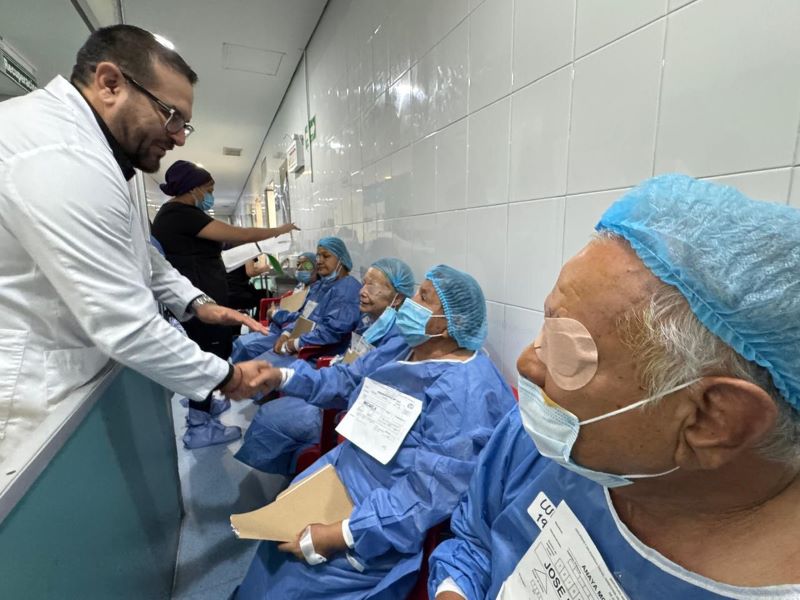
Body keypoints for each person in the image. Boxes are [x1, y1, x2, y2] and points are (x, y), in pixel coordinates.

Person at [428, 174, 800, 599]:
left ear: (712, 418)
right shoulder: (549, 439)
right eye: (546, 327)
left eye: (565, 350)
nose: (527, 363)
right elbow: (474, 540)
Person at [0, 25, 268, 463]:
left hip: (77, 375)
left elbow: (140, 254)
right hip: (29, 395)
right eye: (172, 116)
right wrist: (227, 376)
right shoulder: (58, 155)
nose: (180, 137)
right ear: (110, 84)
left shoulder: (106, 156)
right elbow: (125, 322)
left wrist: (197, 302)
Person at [235, 265, 517, 600]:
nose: (410, 302)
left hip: (377, 520)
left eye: (423, 297)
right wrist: (284, 378)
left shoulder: (465, 392)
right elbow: (350, 380)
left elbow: (425, 495)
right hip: (340, 471)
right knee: (272, 551)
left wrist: (340, 534)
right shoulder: (404, 346)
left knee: (292, 580)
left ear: (450, 323)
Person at [151, 160, 298, 447]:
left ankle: (204, 403)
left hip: (200, 299)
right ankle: (199, 425)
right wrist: (278, 231)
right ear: (193, 189)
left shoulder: (175, 216)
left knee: (208, 355)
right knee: (209, 355)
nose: (210, 196)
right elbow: (238, 236)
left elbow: (223, 245)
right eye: (209, 189)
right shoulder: (181, 213)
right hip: (203, 303)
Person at [234, 257, 415, 474]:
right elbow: (348, 357)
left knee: (271, 417)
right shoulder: (369, 321)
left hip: (346, 405)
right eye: (364, 282)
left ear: (396, 298)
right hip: (336, 382)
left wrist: (292, 366)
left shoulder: (397, 337)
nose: (362, 290)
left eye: (372, 285)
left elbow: (352, 379)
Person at [243, 236, 362, 369]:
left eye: (326, 256)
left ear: (341, 259)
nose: (320, 261)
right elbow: (304, 317)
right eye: (318, 256)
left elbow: (331, 332)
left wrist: (296, 343)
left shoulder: (347, 290)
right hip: (302, 343)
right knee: (250, 359)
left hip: (318, 354)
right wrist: (286, 334)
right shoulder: (320, 287)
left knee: (260, 372)